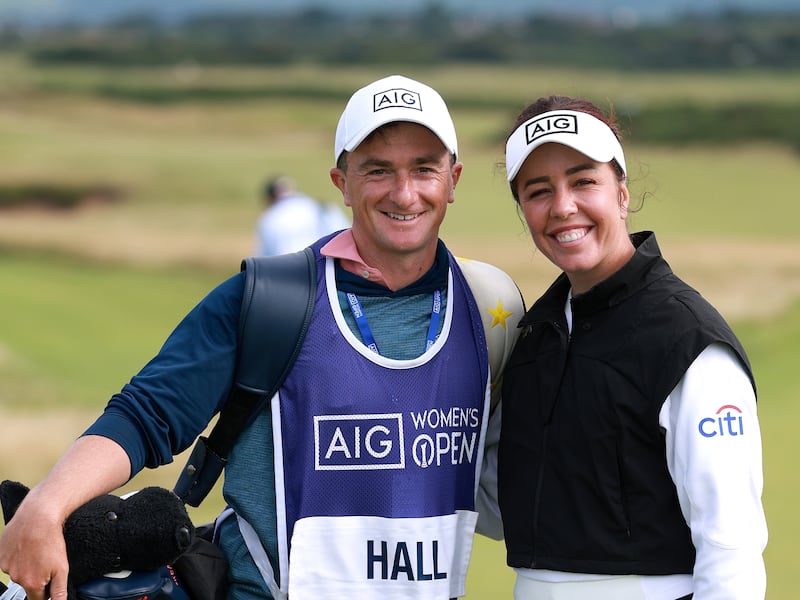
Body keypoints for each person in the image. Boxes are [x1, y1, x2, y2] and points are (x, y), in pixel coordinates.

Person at [0, 75, 524, 600]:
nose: (404, 192)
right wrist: (47, 505)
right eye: (378, 170)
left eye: (424, 168)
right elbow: (146, 415)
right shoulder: (268, 300)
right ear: (342, 182)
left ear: (453, 180)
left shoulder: (490, 306)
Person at [497, 96, 767, 600]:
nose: (562, 206)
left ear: (621, 194)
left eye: (583, 181)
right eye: (538, 190)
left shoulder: (687, 339)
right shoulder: (536, 333)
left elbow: (730, 545)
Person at [254, 176, 350, 256]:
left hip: (285, 268)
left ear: (270, 198)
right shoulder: (321, 207)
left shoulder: (269, 218)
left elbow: (263, 255)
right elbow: (343, 233)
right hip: (322, 265)